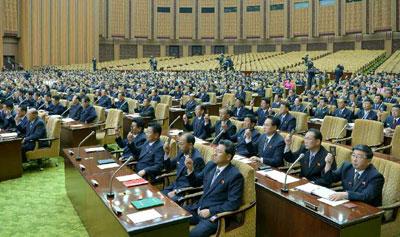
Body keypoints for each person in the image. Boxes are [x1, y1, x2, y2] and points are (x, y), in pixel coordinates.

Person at [184, 140, 244, 237]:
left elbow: (233, 203)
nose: (215, 154)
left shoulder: (235, 175)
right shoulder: (211, 165)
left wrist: (211, 211)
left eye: (219, 152)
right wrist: (190, 169)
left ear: (228, 157)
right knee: (176, 218)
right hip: (198, 208)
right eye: (215, 150)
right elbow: (196, 182)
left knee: (194, 234)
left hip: (216, 216)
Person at [315, 144, 384, 207]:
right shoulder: (347, 167)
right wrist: (328, 164)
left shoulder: (375, 176)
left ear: (369, 160)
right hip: (347, 205)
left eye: (359, 157)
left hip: (367, 210)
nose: (354, 159)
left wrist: (345, 194)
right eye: (353, 155)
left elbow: (366, 196)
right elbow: (329, 179)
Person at [162, 133, 205, 202]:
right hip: (175, 185)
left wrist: (177, 191)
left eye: (181, 144)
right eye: (178, 143)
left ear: (190, 145)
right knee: (159, 196)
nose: (179, 146)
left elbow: (195, 183)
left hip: (185, 191)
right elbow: (169, 168)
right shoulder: (181, 153)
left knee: (168, 202)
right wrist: (167, 153)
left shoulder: (197, 159)